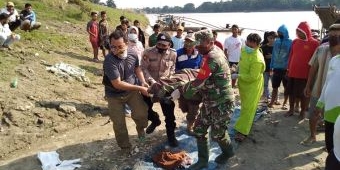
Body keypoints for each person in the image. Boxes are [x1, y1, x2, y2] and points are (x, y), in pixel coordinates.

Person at [178, 29, 234, 169]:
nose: (196, 47)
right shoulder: (209, 51)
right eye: (196, 45)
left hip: (222, 102)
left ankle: (228, 152)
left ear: (211, 42)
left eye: (200, 45)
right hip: (209, 101)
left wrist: (179, 92)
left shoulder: (213, 57)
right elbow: (203, 74)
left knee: (218, 134)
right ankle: (203, 160)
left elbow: (198, 82)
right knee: (199, 129)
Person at [102, 30, 149, 153]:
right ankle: (125, 147)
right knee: (119, 123)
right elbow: (117, 84)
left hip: (131, 92)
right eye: (113, 47)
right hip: (114, 95)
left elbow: (137, 69)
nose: (116, 50)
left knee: (142, 114)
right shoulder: (109, 60)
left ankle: (140, 129)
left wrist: (143, 82)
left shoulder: (133, 54)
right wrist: (140, 88)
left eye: (120, 46)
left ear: (127, 43)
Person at [301, 25, 338, 145]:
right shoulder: (321, 49)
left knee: (333, 120)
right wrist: (308, 85)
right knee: (313, 113)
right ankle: (312, 136)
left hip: (336, 94)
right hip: (318, 88)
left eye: (337, 34)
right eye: (332, 34)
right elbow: (313, 68)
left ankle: (332, 143)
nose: (334, 36)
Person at [141, 32, 178, 147]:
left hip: (165, 87)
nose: (161, 47)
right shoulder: (148, 52)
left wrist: (168, 80)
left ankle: (171, 135)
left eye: (164, 45)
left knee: (169, 114)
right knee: (144, 109)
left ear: (169, 45)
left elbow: (172, 68)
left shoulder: (173, 54)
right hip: (150, 85)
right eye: (159, 44)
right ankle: (155, 120)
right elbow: (143, 69)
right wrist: (151, 81)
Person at [232, 33, 265, 142]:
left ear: (258, 45)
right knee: (245, 106)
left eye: (252, 46)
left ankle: (242, 131)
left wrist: (238, 76)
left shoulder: (257, 59)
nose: (249, 47)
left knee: (249, 109)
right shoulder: (244, 50)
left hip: (253, 86)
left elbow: (252, 77)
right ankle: (243, 125)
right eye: (248, 43)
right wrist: (236, 68)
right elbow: (241, 62)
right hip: (243, 85)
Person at [286, 21, 319, 119]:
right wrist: (288, 68)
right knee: (291, 92)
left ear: (305, 31)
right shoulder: (295, 41)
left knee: (304, 94)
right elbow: (291, 55)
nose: (298, 33)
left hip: (305, 74)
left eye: (300, 31)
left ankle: (302, 112)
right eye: (297, 31)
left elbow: (315, 60)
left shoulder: (314, 43)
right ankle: (291, 109)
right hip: (292, 72)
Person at [316, 23, 340, 154]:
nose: (333, 52)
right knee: (329, 144)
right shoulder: (334, 61)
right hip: (329, 112)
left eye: (335, 49)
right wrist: (320, 104)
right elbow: (327, 83)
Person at [175, 33, 202, 134]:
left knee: (193, 106)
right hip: (181, 83)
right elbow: (174, 67)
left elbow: (201, 68)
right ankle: (188, 113)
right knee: (183, 106)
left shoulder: (199, 54)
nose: (188, 45)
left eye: (191, 43)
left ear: (195, 44)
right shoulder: (178, 53)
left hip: (194, 85)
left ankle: (190, 126)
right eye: (187, 42)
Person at [268, 25, 292, 109]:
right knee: (275, 87)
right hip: (276, 68)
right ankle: (272, 102)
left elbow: (291, 55)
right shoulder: (276, 41)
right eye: (278, 32)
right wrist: (271, 66)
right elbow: (273, 55)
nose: (279, 34)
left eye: (280, 32)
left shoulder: (290, 42)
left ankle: (285, 103)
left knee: (286, 88)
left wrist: (289, 67)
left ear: (285, 32)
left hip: (285, 69)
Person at [260, 31, 276, 102]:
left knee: (275, 85)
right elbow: (260, 58)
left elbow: (280, 57)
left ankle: (275, 99)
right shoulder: (263, 47)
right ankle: (267, 97)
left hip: (274, 69)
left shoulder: (277, 47)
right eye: (270, 38)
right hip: (265, 69)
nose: (272, 39)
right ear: (267, 38)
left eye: (273, 38)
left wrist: (272, 56)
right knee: (265, 84)